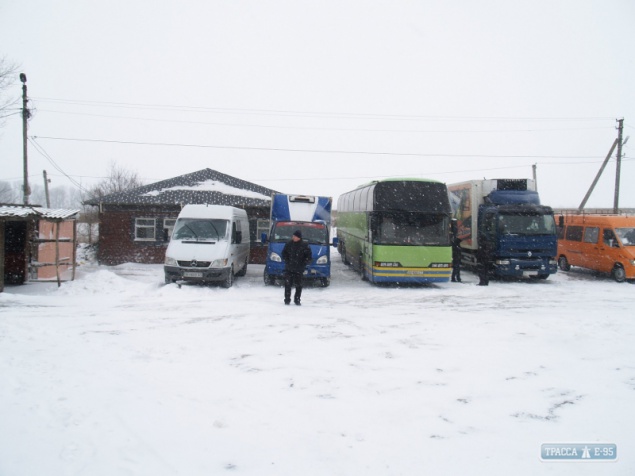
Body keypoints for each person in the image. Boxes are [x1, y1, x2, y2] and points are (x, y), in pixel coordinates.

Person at [281, 230, 313, 305]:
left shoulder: (304, 245)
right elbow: (284, 253)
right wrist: (287, 261)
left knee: (298, 285)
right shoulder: (289, 244)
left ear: (299, 237)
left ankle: (297, 299)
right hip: (289, 268)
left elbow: (309, 256)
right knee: (288, 285)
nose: (293, 237)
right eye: (293, 236)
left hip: (299, 269)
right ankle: (287, 299)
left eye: (295, 236)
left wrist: (304, 263)